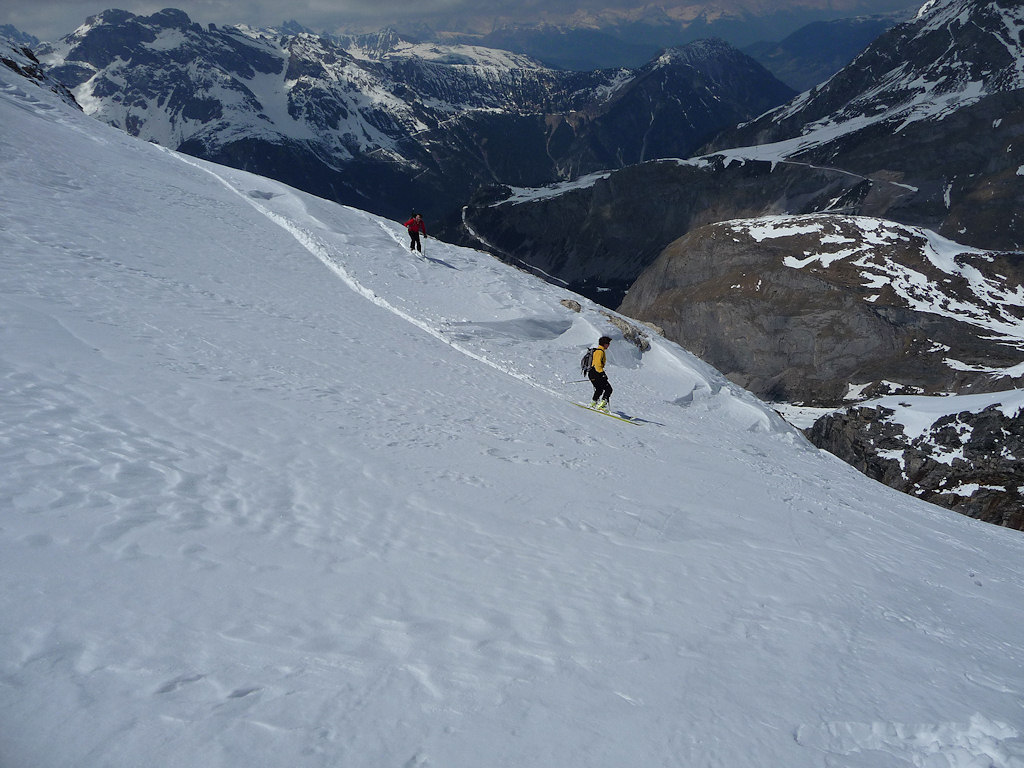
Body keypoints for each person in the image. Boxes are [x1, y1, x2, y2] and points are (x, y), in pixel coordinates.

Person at [588, 336, 613, 410]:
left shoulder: (598, 351)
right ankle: (601, 405)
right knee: (608, 389)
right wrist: (602, 374)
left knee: (599, 389)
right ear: (604, 344)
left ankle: (593, 403)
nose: (609, 345)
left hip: (592, 373)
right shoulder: (600, 352)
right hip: (596, 373)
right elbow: (598, 364)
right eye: (608, 343)